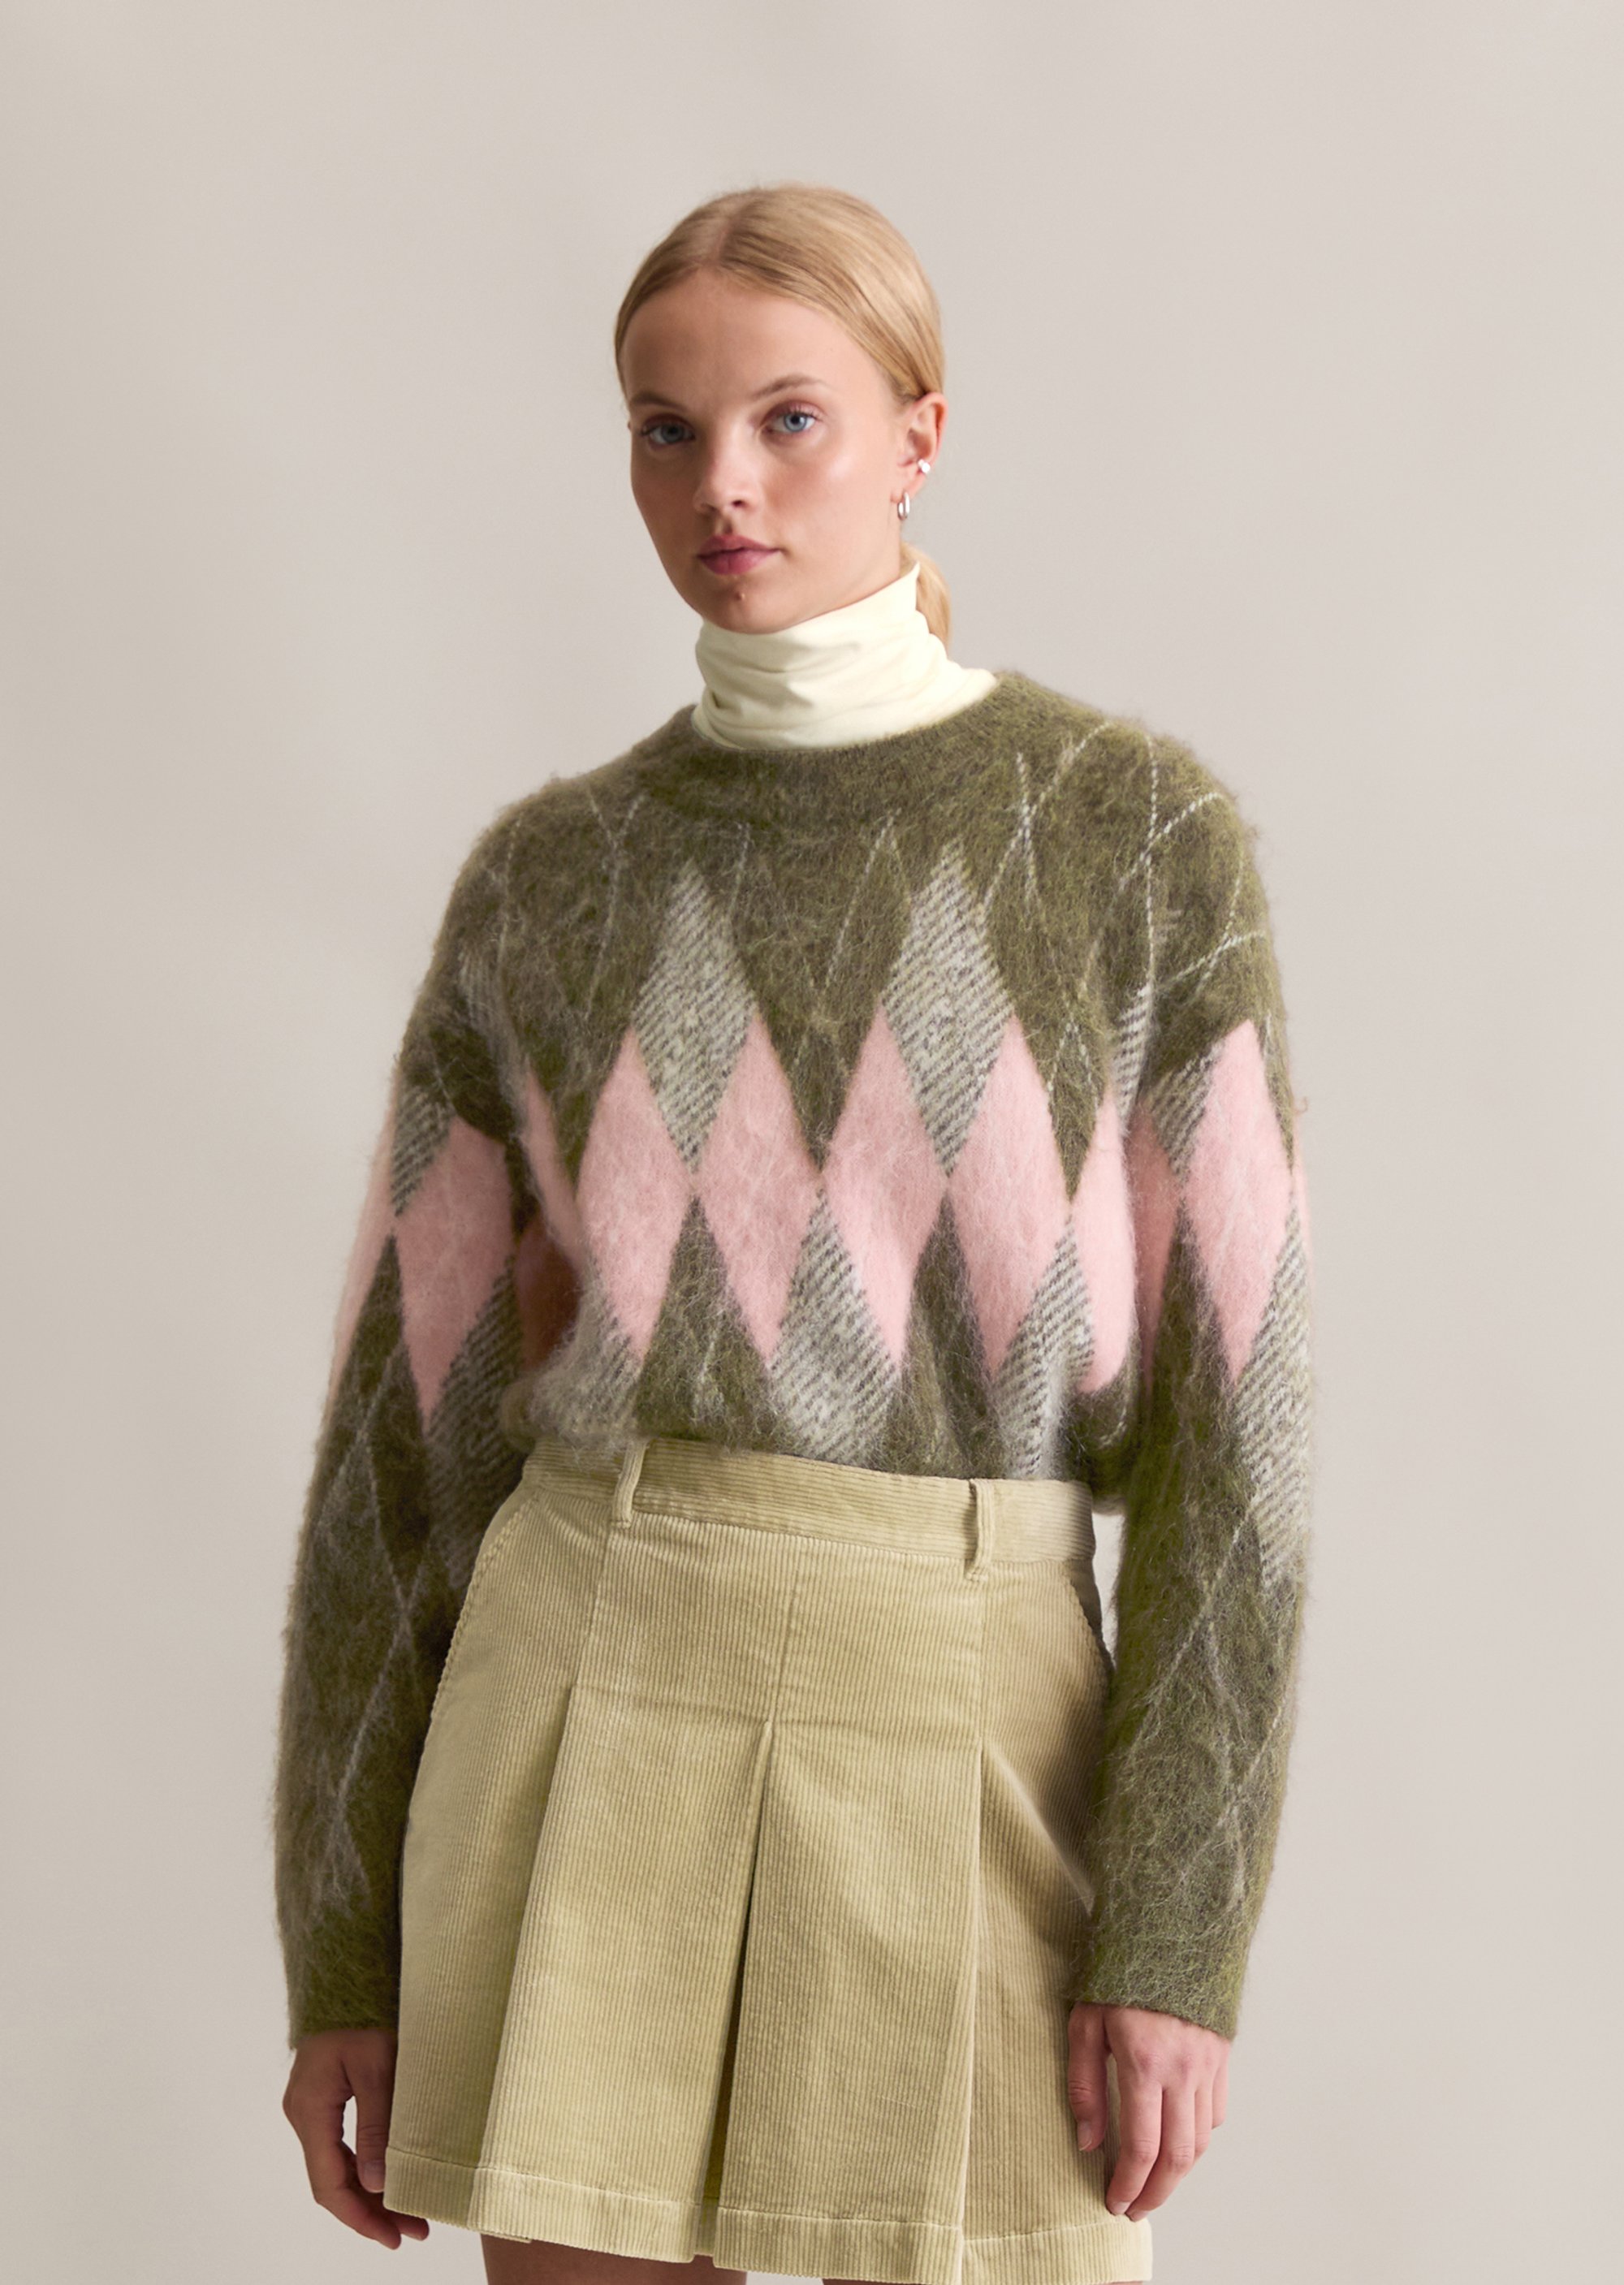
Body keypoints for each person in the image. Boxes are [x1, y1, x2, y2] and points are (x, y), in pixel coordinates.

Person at [273, 182, 1315, 2285]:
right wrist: (342, 1946)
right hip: (587, 1693)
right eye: (666, 430)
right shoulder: (550, 878)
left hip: (976, 1716)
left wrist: (1177, 1932)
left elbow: (1243, 1441)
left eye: (789, 420)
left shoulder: (1133, 842)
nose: (721, 485)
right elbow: (404, 1441)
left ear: (921, 435)